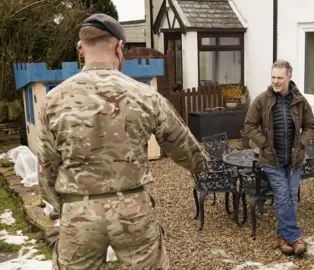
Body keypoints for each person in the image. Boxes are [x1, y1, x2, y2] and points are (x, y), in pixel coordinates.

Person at [36, 13, 208, 270]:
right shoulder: (144, 96)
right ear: (119, 47)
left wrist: (64, 206)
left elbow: (47, 165)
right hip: (132, 210)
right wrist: (201, 165)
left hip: (78, 212)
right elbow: (184, 147)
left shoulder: (53, 100)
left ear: (80, 49)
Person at [244, 59, 314, 256]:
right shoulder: (261, 100)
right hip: (271, 160)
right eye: (273, 77)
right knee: (283, 195)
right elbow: (249, 126)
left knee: (291, 198)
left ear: (289, 78)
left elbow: (310, 126)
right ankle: (294, 237)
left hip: (294, 159)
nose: (275, 81)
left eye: (280, 78)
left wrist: (301, 142)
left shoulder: (299, 100)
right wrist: (265, 143)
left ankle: (282, 236)